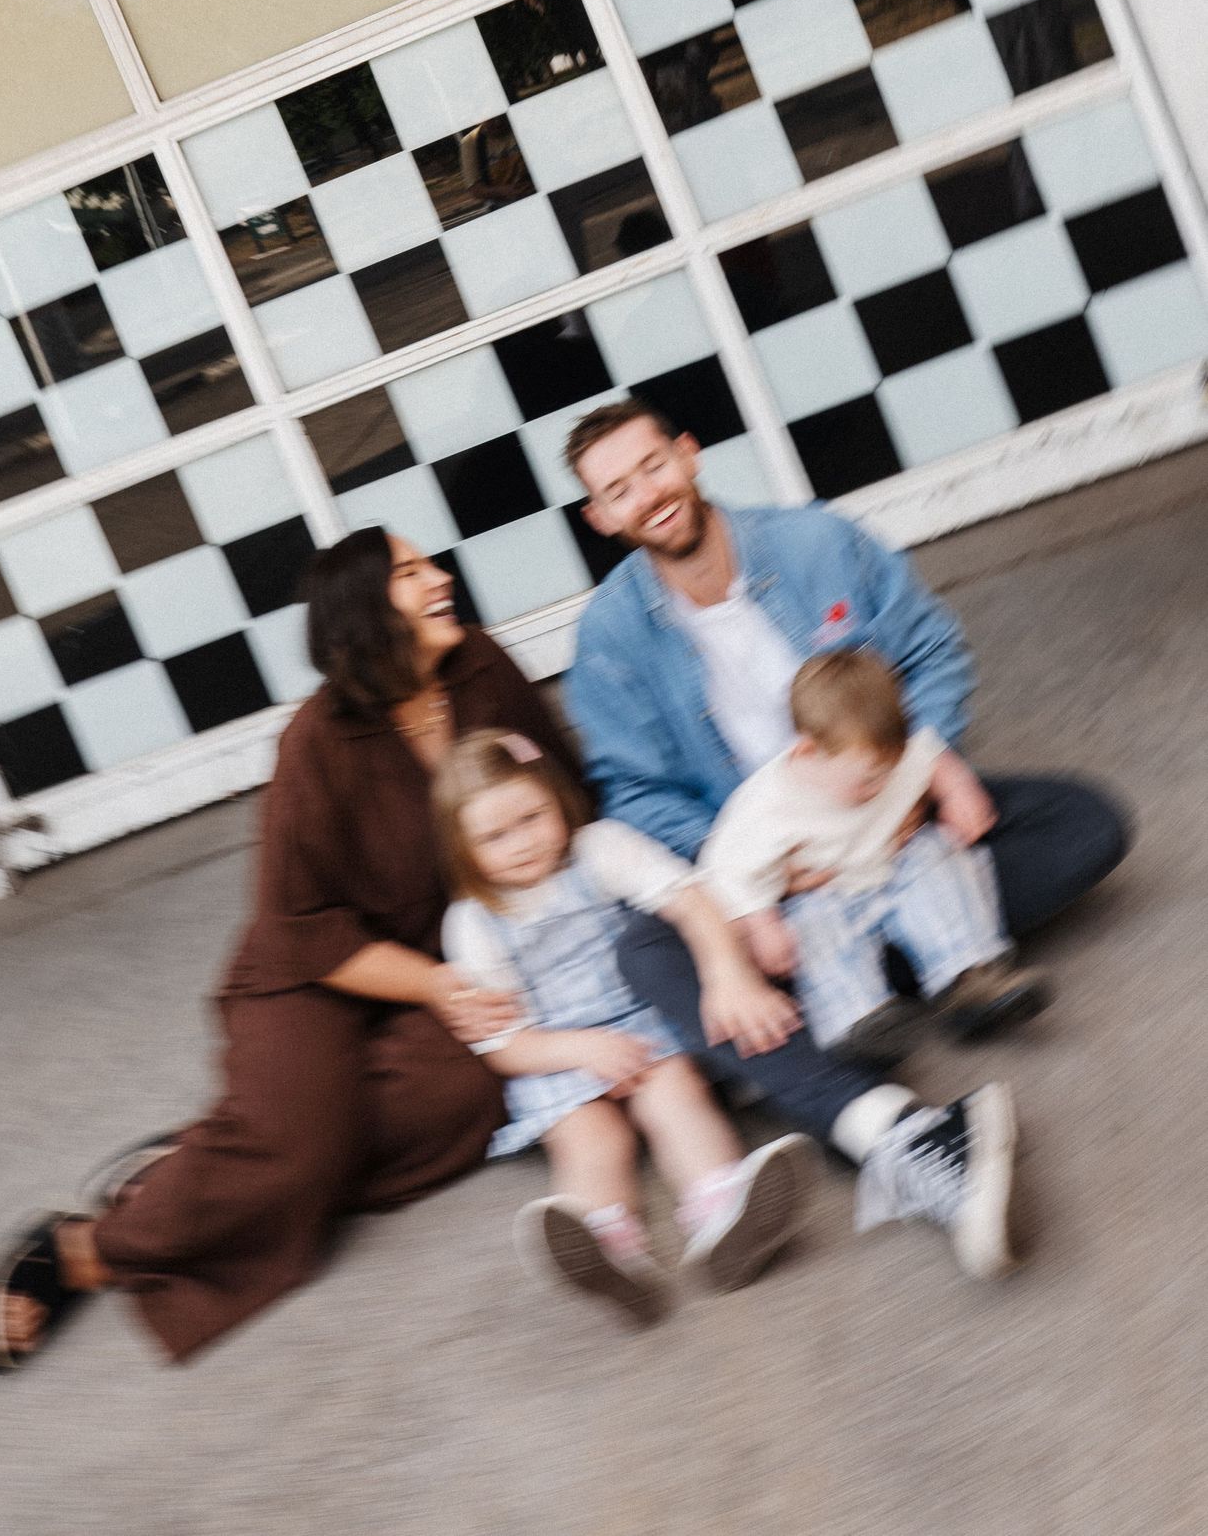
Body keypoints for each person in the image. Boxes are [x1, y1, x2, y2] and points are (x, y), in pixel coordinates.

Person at [0, 528, 577, 1371]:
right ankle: (90, 1247)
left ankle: (210, 1158)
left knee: (468, 1097)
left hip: (460, 949)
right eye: (411, 572)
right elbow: (299, 926)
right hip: (314, 972)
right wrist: (439, 984)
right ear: (363, 614)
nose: (441, 576)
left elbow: (565, 789)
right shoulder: (315, 740)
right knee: (305, 1140)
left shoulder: (483, 667)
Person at [560, 395, 1130, 1277]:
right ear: (600, 517)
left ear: (690, 453)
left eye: (653, 466)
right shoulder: (610, 634)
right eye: (619, 490)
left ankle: (866, 975)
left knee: (1083, 822)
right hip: (769, 864)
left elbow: (930, 653)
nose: (648, 494)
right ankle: (894, 1119)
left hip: (888, 817)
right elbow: (635, 792)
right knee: (648, 952)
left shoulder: (816, 541)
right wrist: (758, 876)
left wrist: (920, 782)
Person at [435, 727, 814, 1322]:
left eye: (532, 817)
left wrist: (725, 975)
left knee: (678, 1098)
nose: (522, 843)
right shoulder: (472, 922)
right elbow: (504, 1044)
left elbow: (690, 900)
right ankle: (604, 1246)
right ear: (462, 849)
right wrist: (582, 1050)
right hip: (556, 1049)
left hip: (642, 1022)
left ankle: (725, 1212)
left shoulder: (601, 848)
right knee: (590, 1137)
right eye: (494, 837)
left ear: (558, 801)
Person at [700, 649, 1050, 1062]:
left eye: (890, 770)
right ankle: (860, 1019)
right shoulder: (766, 806)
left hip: (898, 863)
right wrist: (763, 925)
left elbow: (932, 756)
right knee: (814, 931)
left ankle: (969, 978)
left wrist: (959, 792)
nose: (883, 784)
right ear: (808, 751)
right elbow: (730, 871)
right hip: (825, 893)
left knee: (938, 854)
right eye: (868, 780)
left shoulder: (893, 750)